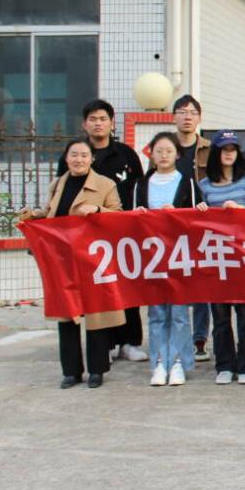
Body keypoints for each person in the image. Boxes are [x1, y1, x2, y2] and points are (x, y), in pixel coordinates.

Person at [22, 139, 124, 389]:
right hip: (63, 259)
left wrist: (97, 209)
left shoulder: (105, 184)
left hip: (92, 259)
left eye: (84, 155)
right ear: (66, 158)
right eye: (74, 155)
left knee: (96, 315)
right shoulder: (57, 184)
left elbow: (120, 217)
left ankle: (97, 370)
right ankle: (71, 371)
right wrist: (35, 215)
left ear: (92, 159)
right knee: (67, 314)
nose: (79, 159)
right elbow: (51, 213)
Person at [55, 99, 147, 363]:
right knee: (95, 291)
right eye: (93, 119)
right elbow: (62, 193)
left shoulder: (126, 155)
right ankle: (103, 343)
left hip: (122, 232)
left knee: (127, 287)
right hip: (85, 240)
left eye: (103, 118)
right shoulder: (76, 155)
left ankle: (129, 342)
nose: (98, 123)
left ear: (111, 123)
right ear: (84, 124)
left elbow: (139, 188)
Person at [130, 132, 208, 387]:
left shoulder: (188, 183)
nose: (164, 156)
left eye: (169, 151)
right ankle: (159, 363)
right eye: (159, 151)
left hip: (179, 256)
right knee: (156, 313)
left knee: (179, 314)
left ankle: (178, 363)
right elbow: (130, 220)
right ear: (151, 154)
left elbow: (197, 219)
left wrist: (180, 214)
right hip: (151, 257)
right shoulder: (141, 184)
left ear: (177, 154)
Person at [198, 130, 245, 385]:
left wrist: (240, 210)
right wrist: (202, 211)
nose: (229, 154)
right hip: (217, 258)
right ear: (216, 153)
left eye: (233, 149)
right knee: (220, 316)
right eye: (224, 149)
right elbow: (196, 222)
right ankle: (224, 364)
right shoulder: (205, 185)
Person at [171, 94, 213, 363]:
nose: (187, 117)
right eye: (182, 111)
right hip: (170, 226)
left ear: (199, 117)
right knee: (174, 283)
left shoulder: (209, 148)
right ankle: (176, 337)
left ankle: (199, 339)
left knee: (201, 284)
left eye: (192, 112)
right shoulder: (163, 146)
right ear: (173, 116)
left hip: (200, 224)